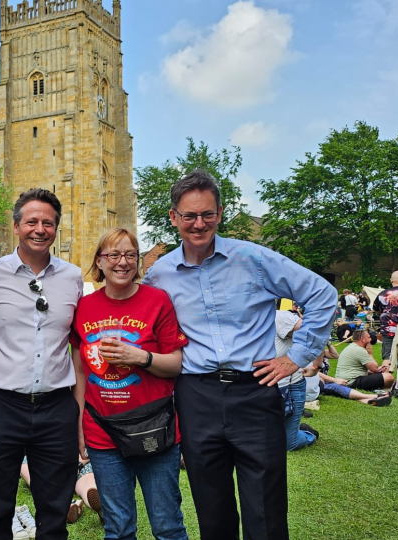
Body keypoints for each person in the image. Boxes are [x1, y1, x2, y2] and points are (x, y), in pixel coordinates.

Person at [142, 170, 336, 540]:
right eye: (189, 215)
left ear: (220, 212)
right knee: (211, 507)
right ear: (173, 217)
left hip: (255, 392)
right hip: (196, 396)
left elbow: (322, 294)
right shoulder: (160, 274)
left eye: (207, 214)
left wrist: (297, 356)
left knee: (266, 507)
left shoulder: (254, 258)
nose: (199, 224)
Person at [0, 188, 83, 540]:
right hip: (0, 405)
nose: (40, 229)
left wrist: (79, 411)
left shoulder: (73, 277)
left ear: (57, 228)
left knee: (54, 509)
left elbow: (78, 347)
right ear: (16, 225)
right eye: (32, 221)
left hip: (56, 408)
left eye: (48, 222)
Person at [71, 227, 189, 540]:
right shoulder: (83, 308)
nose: (122, 262)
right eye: (113, 254)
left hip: (154, 428)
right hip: (102, 430)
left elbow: (176, 364)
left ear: (137, 261)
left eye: (130, 255)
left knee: (167, 526)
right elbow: (81, 370)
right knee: (118, 528)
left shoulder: (157, 301)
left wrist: (138, 356)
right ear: (100, 260)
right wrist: (78, 421)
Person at [274, 310, 318, 450]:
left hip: (290, 388)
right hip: (259, 388)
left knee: (288, 443)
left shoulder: (280, 317)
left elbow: (315, 332)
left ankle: (307, 433)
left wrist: (316, 366)